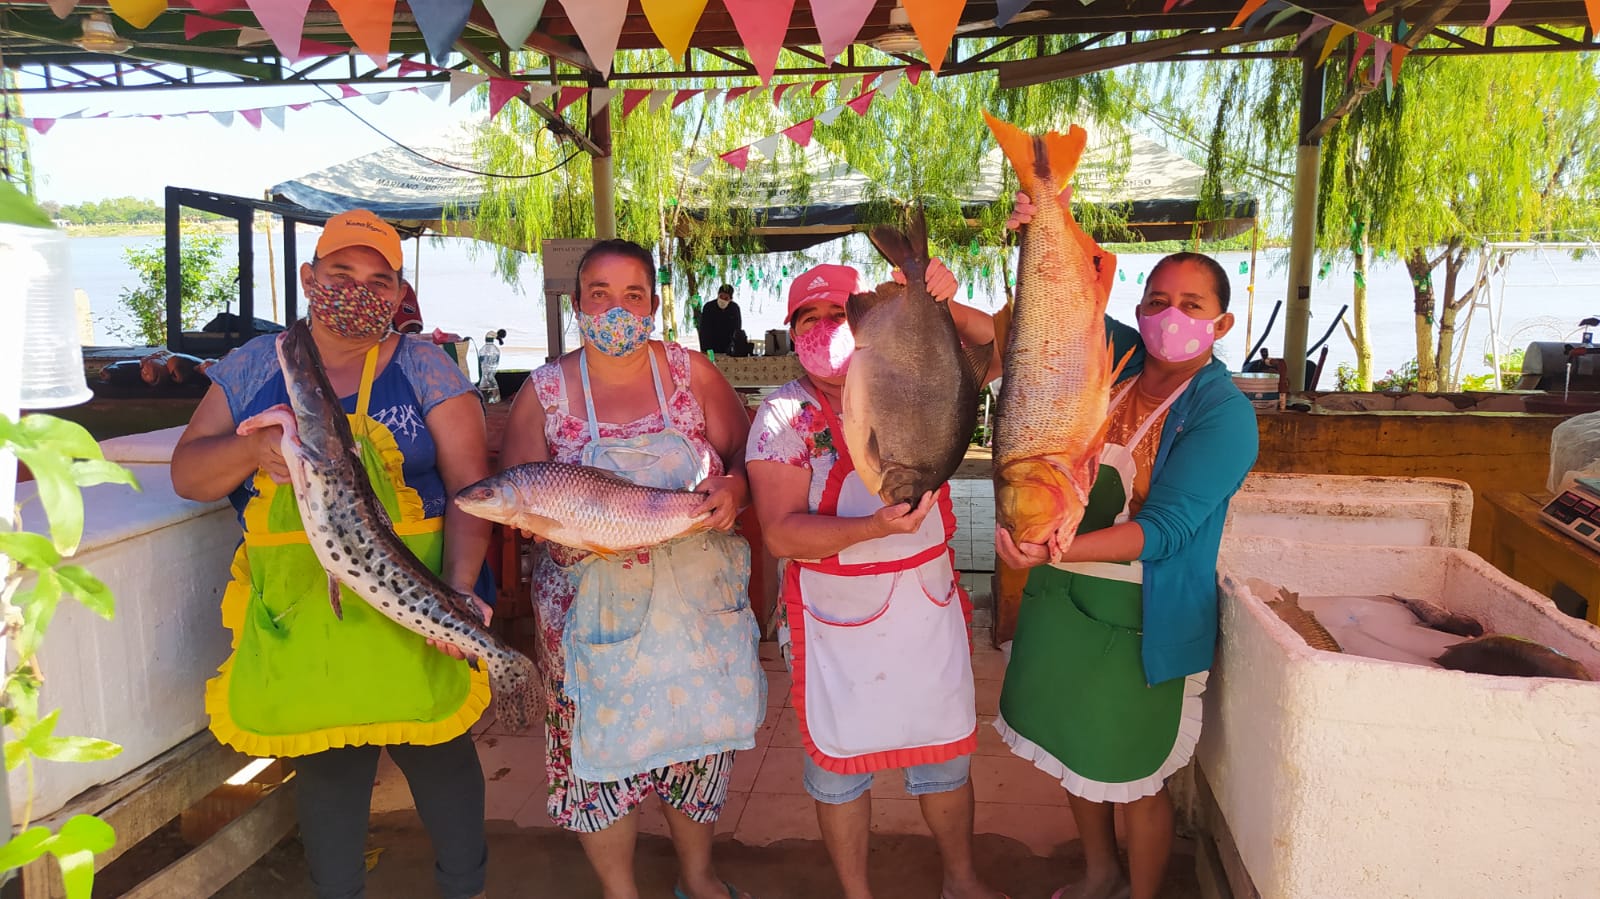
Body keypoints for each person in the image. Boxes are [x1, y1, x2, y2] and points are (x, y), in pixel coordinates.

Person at [171, 209, 495, 899]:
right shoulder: (258, 363)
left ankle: (465, 889)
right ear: (308, 277)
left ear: (400, 291)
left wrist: (459, 592)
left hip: (414, 605)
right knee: (328, 767)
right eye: (341, 273)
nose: (359, 290)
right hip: (302, 614)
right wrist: (252, 449)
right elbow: (189, 474)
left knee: (439, 754)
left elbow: (472, 488)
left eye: (379, 280)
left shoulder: (426, 367)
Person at [994, 192, 1259, 899]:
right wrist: (1045, 226)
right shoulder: (1114, 355)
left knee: (1135, 772)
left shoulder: (1224, 414)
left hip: (1148, 617)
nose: (1171, 314)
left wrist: (1052, 546)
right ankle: (1099, 872)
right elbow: (1036, 328)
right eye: (1158, 298)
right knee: (1072, 747)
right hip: (1066, 602)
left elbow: (1167, 529)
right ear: (1139, 309)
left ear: (1221, 323)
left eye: (1193, 304)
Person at [499, 239, 763, 899]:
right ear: (577, 302)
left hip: (692, 614)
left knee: (694, 745)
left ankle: (697, 876)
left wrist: (734, 489)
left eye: (633, 295)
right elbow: (518, 494)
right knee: (599, 762)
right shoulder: (544, 394)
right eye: (600, 294)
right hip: (591, 625)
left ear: (654, 302)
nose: (616, 308)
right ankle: (622, 890)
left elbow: (747, 460)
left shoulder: (691, 373)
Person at [746, 262, 1007, 899]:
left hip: (924, 605)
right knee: (839, 769)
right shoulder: (785, 419)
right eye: (807, 319)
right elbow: (779, 534)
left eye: (838, 314)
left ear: (868, 321)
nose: (823, 329)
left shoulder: (918, 376)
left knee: (944, 755)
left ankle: (961, 880)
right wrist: (873, 530)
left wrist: (945, 301)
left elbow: (1002, 347)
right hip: (836, 616)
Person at [696, 282, 742, 356]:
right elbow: (704, 330)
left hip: (728, 350)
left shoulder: (734, 309)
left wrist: (733, 348)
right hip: (710, 349)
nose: (723, 300)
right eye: (721, 297)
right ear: (718, 295)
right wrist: (705, 349)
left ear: (731, 299)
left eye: (726, 298)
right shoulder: (708, 307)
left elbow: (737, 330)